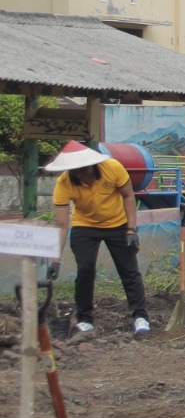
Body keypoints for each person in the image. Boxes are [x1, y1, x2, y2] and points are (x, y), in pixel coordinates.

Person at [46, 143, 148, 335]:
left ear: (92, 165)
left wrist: (132, 229)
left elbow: (128, 196)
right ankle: (85, 319)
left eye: (84, 170)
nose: (82, 175)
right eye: (76, 172)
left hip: (118, 223)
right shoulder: (64, 183)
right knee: (85, 269)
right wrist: (55, 260)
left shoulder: (113, 168)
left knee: (129, 270)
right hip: (85, 226)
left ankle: (140, 316)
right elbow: (61, 224)